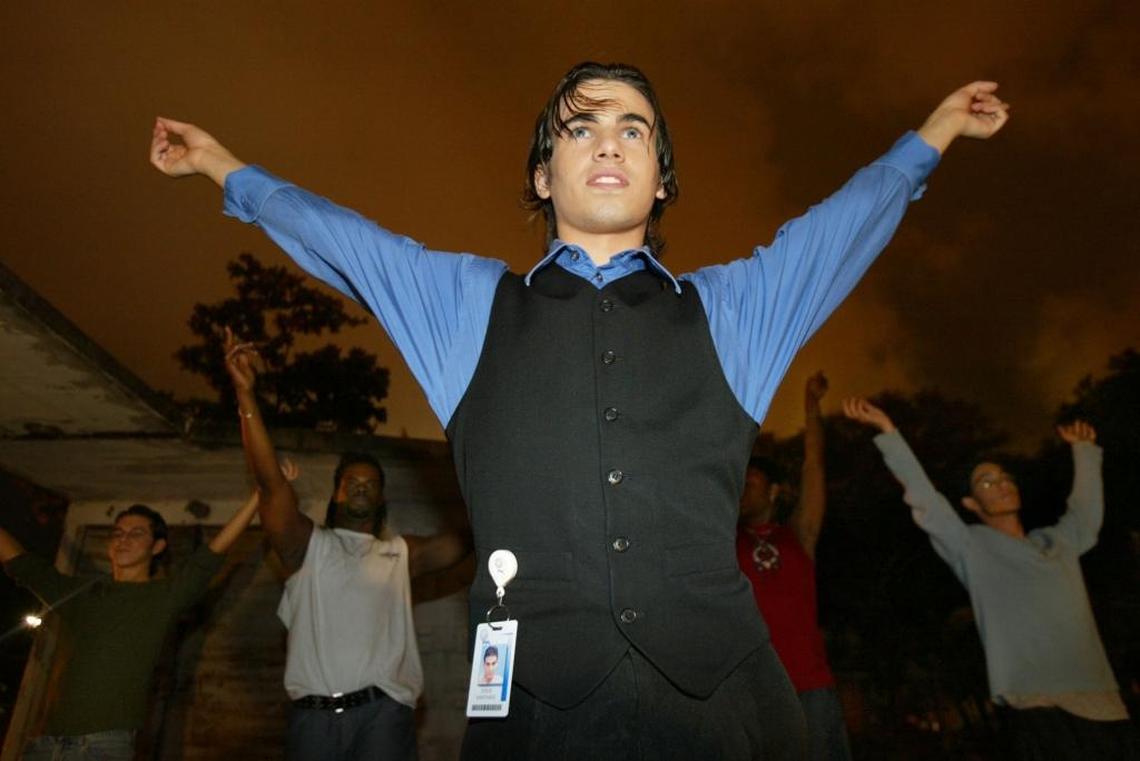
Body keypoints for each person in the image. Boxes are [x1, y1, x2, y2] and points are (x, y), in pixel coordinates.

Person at [151, 61, 1009, 759]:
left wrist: (934, 132)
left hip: (725, 711)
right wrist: (222, 164)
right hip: (533, 714)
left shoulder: (733, 311)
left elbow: (841, 224)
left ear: (661, 177)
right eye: (580, 128)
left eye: (633, 129)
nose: (609, 143)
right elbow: (344, 239)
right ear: (542, 172)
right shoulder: (467, 308)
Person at [223, 329, 470, 761]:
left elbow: (461, 544)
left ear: (380, 498)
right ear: (337, 493)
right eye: (352, 482)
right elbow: (271, 485)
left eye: (370, 484)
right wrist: (246, 398)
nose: (360, 488)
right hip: (314, 721)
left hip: (384, 718)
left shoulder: (399, 555)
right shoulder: (306, 548)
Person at [842, 398, 1137, 760]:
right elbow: (927, 502)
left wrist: (1085, 452)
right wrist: (888, 431)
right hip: (1037, 705)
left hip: (1102, 702)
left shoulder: (1057, 541)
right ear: (970, 504)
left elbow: (1087, 515)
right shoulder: (972, 547)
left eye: (1005, 478)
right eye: (986, 481)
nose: (1000, 485)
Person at [0, 491, 262, 761]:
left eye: (136, 533)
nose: (123, 540)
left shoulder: (164, 597)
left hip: (100, 748)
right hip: (45, 747)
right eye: (118, 533)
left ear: (157, 546)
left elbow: (209, 557)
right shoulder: (80, 594)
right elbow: (24, 565)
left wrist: (259, 496)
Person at [737, 372, 852, 761]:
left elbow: (814, 469)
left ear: (773, 490)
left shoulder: (798, 535)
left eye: (751, 482)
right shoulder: (724, 542)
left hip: (811, 686)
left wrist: (811, 406)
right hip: (753, 692)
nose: (742, 490)